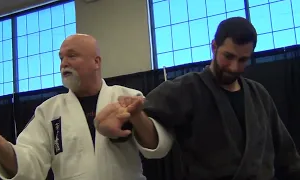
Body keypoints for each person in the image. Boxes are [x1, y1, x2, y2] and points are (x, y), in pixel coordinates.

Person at [96, 17, 300, 179]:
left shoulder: (259, 94)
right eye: (228, 56)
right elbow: (143, 124)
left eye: (243, 60)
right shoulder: (185, 88)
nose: (235, 67)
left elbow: (286, 153)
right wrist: (124, 122)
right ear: (214, 47)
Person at [0, 34, 171, 180]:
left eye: (72, 56)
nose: (64, 64)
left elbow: (156, 147)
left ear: (96, 62)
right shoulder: (48, 111)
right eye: (61, 58)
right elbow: (29, 165)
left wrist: (136, 116)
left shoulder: (127, 96)